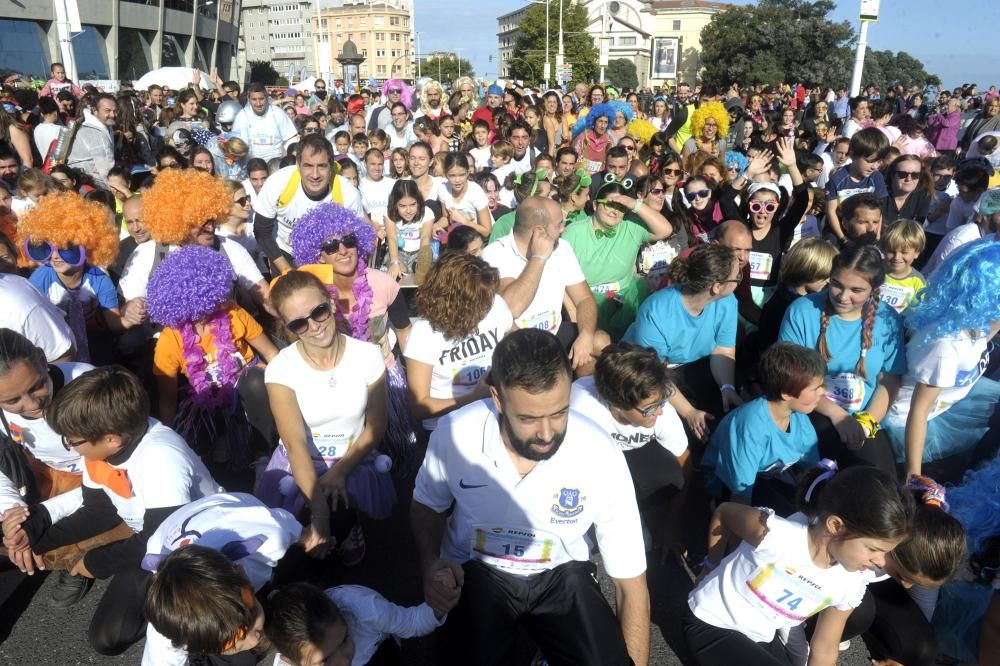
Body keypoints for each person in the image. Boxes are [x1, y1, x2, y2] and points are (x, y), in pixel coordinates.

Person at [411, 328, 649, 666]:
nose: (547, 434)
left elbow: (631, 582)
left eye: (559, 412)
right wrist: (429, 565)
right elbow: (425, 505)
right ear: (496, 398)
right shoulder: (454, 433)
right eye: (528, 418)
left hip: (562, 571)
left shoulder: (601, 452)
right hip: (478, 569)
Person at [2, 366, 223, 655]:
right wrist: (36, 541)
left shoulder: (161, 460)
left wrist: (94, 563)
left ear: (111, 440)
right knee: (110, 635)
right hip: (149, 536)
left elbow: (160, 542)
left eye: (73, 441)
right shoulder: (102, 449)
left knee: (110, 637)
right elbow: (98, 510)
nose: (69, 447)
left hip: (190, 546)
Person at [684, 464, 913, 666]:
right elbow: (724, 513)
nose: (880, 562)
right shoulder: (775, 535)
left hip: (759, 636)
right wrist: (710, 566)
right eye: (874, 549)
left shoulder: (850, 584)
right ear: (835, 526)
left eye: (886, 553)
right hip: (711, 621)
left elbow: (824, 649)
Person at [259, 269, 392, 567]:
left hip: (353, 458)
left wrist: (340, 471)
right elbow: (294, 444)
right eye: (298, 323)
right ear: (288, 328)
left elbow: (376, 427)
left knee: (339, 509)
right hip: (303, 461)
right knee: (308, 529)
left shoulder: (368, 355)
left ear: (330, 304)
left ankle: (346, 527)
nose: (314, 326)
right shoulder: (281, 369)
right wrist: (319, 514)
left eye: (318, 311)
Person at [287, 202, 417, 467]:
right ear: (319, 255)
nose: (343, 250)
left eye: (348, 241)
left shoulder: (383, 283)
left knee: (398, 460)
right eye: (331, 246)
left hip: (384, 380)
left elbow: (405, 332)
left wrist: (414, 386)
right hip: (334, 383)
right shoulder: (312, 292)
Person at [778, 243, 904, 474]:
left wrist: (867, 422)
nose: (843, 297)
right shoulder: (802, 311)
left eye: (856, 290)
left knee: (880, 479)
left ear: (874, 289)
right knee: (823, 477)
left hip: (865, 416)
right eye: (836, 285)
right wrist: (837, 414)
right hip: (812, 410)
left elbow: (890, 379)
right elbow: (792, 377)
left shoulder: (887, 319)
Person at [140, 494, 310, 666]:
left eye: (251, 619)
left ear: (242, 572)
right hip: (168, 533)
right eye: (231, 643)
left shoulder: (269, 540)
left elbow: (288, 526)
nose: (253, 640)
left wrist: (311, 536)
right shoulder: (173, 628)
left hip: (232, 507)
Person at [0, 330, 105, 607]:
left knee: (66, 524)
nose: (33, 404)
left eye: (37, 385)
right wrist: (13, 512)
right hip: (43, 471)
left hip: (100, 470)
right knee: (21, 526)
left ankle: (77, 562)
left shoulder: (86, 385)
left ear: (42, 357)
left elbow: (109, 474)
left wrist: (42, 516)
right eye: (14, 401)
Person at [147, 246, 277, 467]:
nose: (222, 298)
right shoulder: (170, 339)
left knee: (256, 381)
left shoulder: (234, 314)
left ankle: (263, 456)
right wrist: (168, 444)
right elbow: (167, 403)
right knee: (197, 434)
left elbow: (271, 353)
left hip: (247, 394)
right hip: (204, 404)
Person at [883, 239, 1000, 478]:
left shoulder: (972, 320)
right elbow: (919, 410)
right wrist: (914, 477)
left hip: (952, 401)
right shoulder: (945, 346)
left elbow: (984, 337)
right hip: (912, 421)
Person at [571, 342, 687, 540]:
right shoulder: (580, 409)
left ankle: (634, 513)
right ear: (616, 403)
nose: (659, 411)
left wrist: (671, 527)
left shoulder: (661, 410)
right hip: (592, 459)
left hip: (636, 453)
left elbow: (684, 462)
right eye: (650, 409)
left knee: (671, 476)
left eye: (662, 402)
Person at [483, 196, 607, 375]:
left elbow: (584, 299)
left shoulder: (562, 248)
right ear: (539, 231)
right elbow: (510, 309)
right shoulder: (495, 254)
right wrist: (538, 258)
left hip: (554, 333)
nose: (563, 229)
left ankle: (582, 396)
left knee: (600, 341)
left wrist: (585, 336)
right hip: (517, 342)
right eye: (558, 225)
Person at [702, 343, 824, 513]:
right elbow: (740, 497)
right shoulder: (751, 428)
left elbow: (814, 470)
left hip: (767, 477)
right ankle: (715, 506)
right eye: (815, 388)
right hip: (731, 486)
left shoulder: (799, 418)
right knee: (788, 517)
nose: (822, 393)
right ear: (787, 394)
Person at [403, 251, 512, 432]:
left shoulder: (496, 305)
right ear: (457, 301)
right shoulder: (424, 334)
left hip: (496, 416)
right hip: (448, 428)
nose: (488, 305)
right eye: (481, 300)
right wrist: (472, 397)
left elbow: (515, 344)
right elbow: (419, 406)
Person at [20, 192, 134, 363]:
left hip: (95, 343)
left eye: (66, 249)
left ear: (88, 247)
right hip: (56, 346)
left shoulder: (99, 279)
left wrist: (131, 319)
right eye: (49, 248)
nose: (56, 256)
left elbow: (114, 323)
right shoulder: (41, 278)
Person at [562, 179, 673, 339]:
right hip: (587, 298)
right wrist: (573, 314)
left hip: (620, 295)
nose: (614, 211)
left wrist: (634, 204)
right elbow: (560, 277)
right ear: (594, 205)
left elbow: (665, 230)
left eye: (620, 207)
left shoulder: (631, 226)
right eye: (609, 204)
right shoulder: (573, 232)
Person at [265, 580, 448, 665]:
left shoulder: (367, 610)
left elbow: (412, 622)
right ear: (290, 661)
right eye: (325, 660)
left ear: (343, 615)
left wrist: (444, 598)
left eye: (345, 639)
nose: (344, 661)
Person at [252, 134, 363, 273]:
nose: (315, 174)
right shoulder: (278, 183)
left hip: (330, 257)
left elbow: (357, 239)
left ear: (331, 166)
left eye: (322, 166)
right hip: (286, 256)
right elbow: (261, 231)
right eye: (308, 166)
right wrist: (286, 270)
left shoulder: (348, 193)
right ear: (298, 165)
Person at [756, 237, 837, 353]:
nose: (828, 281)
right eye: (824, 276)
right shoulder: (788, 307)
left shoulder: (781, 294)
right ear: (806, 270)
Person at [824, 128, 890, 243]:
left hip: (867, 231)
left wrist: (877, 234)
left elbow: (879, 210)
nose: (874, 166)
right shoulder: (838, 179)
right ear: (853, 155)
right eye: (870, 161)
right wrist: (843, 239)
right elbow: (831, 212)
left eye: (879, 162)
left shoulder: (876, 177)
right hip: (840, 231)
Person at [231, 83, 298, 162]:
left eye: (261, 99)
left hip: (276, 163)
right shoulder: (242, 116)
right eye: (254, 99)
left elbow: (291, 138)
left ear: (266, 97)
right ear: (248, 99)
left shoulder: (278, 113)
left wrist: (287, 156)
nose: (258, 104)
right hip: (251, 165)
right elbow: (237, 143)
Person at [384, 178, 435, 282]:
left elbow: (425, 238)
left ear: (419, 203)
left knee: (423, 261)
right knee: (397, 270)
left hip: (418, 252)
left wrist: (422, 259)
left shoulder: (427, 213)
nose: (408, 211)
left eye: (413, 205)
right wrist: (394, 262)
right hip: (398, 251)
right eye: (402, 206)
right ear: (395, 205)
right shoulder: (389, 214)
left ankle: (420, 269)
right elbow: (392, 238)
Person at [436, 152, 492, 238]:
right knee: (437, 238)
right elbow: (446, 218)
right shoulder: (443, 189)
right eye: (452, 175)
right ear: (446, 174)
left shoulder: (476, 192)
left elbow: (486, 231)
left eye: (462, 175)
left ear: (468, 172)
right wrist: (436, 226)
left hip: (477, 238)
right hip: (457, 235)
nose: (457, 180)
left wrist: (464, 221)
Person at [66, 93, 116, 187]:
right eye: (107, 111)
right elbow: (105, 169)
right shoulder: (93, 132)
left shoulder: (105, 126)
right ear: (94, 111)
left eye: (115, 111)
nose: (113, 115)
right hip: (87, 184)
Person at [879, 219, 926, 314]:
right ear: (884, 250)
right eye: (891, 251)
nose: (897, 257)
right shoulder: (875, 270)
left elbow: (915, 312)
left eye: (904, 252)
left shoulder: (917, 281)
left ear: (916, 253)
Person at [882, 154, 932, 226]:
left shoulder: (923, 196)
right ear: (892, 175)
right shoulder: (880, 195)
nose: (908, 179)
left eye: (915, 175)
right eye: (902, 174)